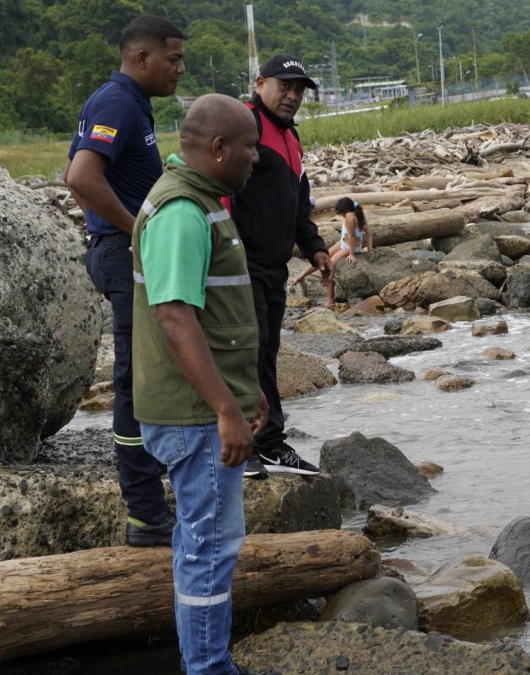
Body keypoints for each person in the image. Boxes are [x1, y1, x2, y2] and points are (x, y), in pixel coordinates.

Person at [130, 93, 277, 675]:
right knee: (208, 550)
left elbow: (214, 314)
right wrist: (225, 409)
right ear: (218, 148)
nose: (255, 158)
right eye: (248, 147)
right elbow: (175, 317)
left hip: (202, 406)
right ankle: (209, 667)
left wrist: (247, 390)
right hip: (192, 415)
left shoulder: (199, 201)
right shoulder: (182, 213)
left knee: (204, 545)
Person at [65, 15, 185, 547]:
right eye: (174, 59)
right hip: (123, 255)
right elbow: (80, 177)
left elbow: (81, 175)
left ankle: (152, 495)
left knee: (152, 374)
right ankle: (144, 513)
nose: (181, 69)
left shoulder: (129, 104)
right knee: (135, 383)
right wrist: (132, 229)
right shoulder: (117, 103)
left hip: (120, 251)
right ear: (142, 58)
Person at [228, 54, 332, 479]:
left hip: (273, 267)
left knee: (266, 351)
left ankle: (268, 441)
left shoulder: (290, 138)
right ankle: (247, 443)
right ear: (260, 82)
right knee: (243, 353)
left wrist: (315, 247)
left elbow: (297, 205)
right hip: (239, 263)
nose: (292, 96)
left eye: (299, 89)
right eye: (284, 86)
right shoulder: (243, 125)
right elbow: (220, 191)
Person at [292, 197, 372, 307]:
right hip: (344, 242)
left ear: (346, 211)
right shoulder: (358, 212)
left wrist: (351, 253)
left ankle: (330, 300)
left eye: (341, 213)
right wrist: (370, 250)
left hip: (349, 246)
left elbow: (352, 237)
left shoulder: (349, 217)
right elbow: (369, 233)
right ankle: (302, 275)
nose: (341, 215)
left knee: (329, 266)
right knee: (322, 256)